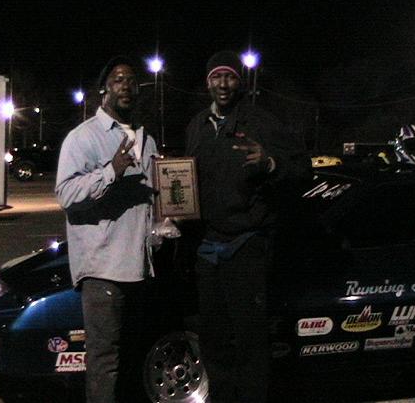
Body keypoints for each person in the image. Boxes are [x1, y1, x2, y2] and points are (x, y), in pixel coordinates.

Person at [185, 50, 312, 403]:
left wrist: (271, 163)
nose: (223, 84)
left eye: (229, 76)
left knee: (250, 340)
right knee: (214, 339)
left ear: (239, 82)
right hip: (208, 248)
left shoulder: (261, 122)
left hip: (247, 246)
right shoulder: (197, 126)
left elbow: (303, 169)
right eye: (216, 77)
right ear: (208, 83)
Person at [55, 55, 158, 403]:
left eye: (131, 80)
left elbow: (151, 199)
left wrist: (166, 220)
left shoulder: (146, 139)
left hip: (140, 268)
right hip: (103, 271)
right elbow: (66, 194)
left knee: (132, 360)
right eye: (118, 79)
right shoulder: (83, 137)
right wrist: (111, 171)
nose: (126, 85)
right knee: (105, 363)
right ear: (104, 90)